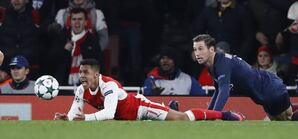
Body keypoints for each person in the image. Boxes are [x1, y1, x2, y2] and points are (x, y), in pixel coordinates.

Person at [192, 34, 298, 121]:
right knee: (283, 117)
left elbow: (224, 92)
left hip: (269, 87)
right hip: (264, 89)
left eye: (201, 49)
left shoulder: (221, 63)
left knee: (288, 118)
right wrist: (207, 115)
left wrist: (211, 117)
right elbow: (218, 91)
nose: (197, 53)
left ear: (212, 49)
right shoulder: (214, 65)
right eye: (195, 49)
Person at [54, 58, 244, 121]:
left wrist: (85, 118)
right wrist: (67, 118)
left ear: (96, 74)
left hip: (140, 108)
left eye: (85, 73)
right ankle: (172, 108)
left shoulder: (109, 86)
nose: (81, 76)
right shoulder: (81, 90)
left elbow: (110, 113)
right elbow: (75, 114)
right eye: (80, 72)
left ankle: (223, 115)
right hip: (126, 119)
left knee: (182, 120)